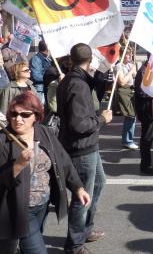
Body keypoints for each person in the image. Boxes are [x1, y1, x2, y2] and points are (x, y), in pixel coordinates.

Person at [0, 92, 91, 254]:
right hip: (19, 208)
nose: (17, 119)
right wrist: (18, 165)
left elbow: (63, 161)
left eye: (24, 115)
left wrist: (78, 188)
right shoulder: (3, 140)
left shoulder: (44, 132)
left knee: (24, 244)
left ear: (36, 116)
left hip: (43, 204)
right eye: (13, 114)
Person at [56, 43, 113, 254]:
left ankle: (86, 229)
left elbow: (94, 84)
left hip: (89, 145)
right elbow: (79, 124)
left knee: (99, 182)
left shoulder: (76, 80)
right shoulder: (76, 84)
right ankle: (75, 244)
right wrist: (102, 120)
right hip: (81, 148)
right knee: (83, 195)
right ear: (89, 60)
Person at [114, 49, 138, 150]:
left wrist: (134, 72)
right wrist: (131, 72)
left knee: (132, 116)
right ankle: (127, 140)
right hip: (123, 91)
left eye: (131, 54)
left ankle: (128, 139)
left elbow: (134, 76)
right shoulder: (118, 66)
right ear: (122, 55)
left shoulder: (130, 64)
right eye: (128, 54)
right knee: (130, 115)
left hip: (131, 90)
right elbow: (122, 82)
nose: (130, 56)